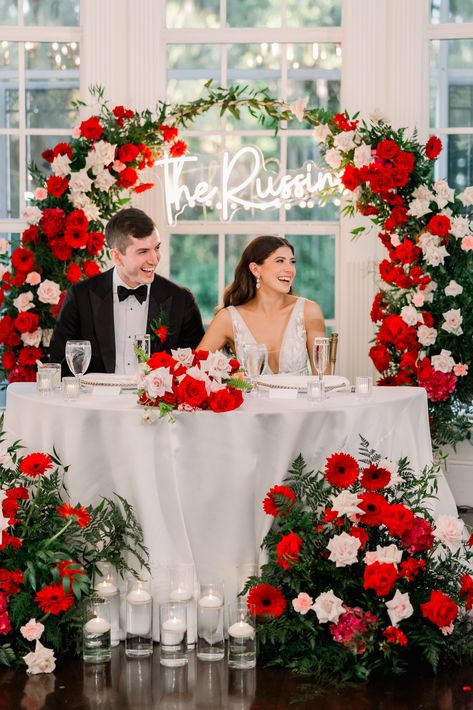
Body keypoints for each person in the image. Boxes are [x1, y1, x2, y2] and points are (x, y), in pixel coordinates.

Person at [49, 207, 204, 375]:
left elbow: (196, 368)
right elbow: (59, 363)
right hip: (95, 400)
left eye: (157, 248)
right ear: (116, 256)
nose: (154, 259)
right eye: (143, 251)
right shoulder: (81, 296)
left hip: (155, 401)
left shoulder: (181, 301)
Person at [197, 235, 325, 375]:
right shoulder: (227, 319)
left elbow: (324, 379)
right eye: (280, 261)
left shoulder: (309, 311)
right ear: (255, 269)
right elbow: (193, 371)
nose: (290, 269)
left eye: (292, 262)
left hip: (303, 398)